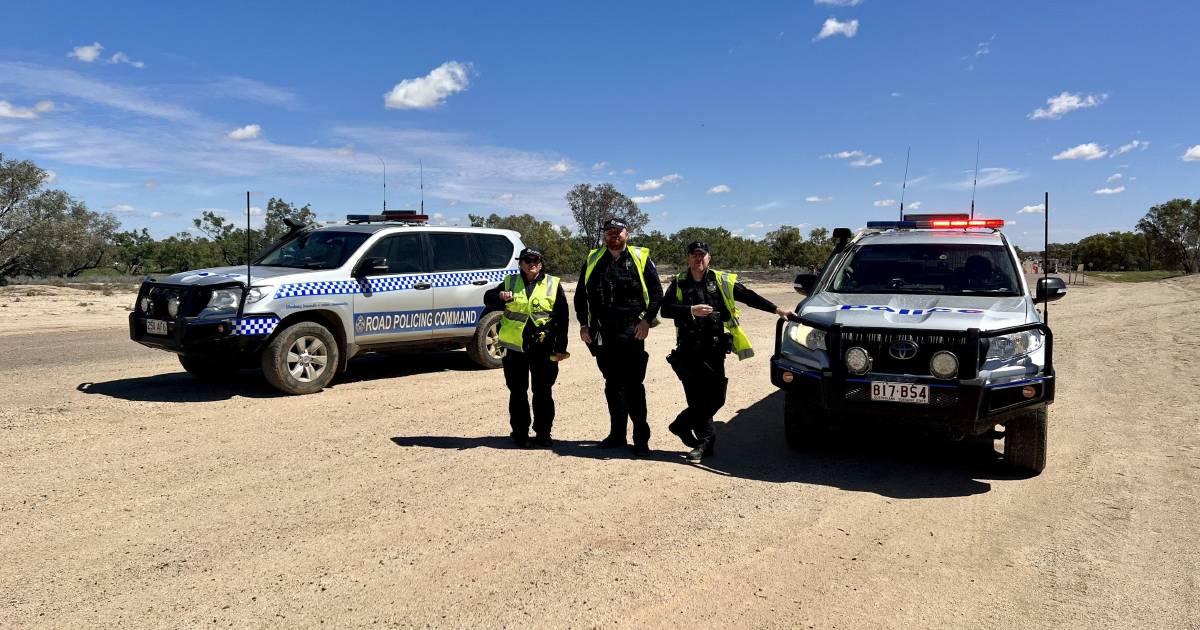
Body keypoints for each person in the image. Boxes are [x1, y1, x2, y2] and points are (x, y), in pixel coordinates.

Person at [660, 241, 792, 463]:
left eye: (702, 255)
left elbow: (748, 296)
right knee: (696, 398)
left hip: (714, 348)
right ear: (688, 258)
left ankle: (681, 425)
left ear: (709, 258)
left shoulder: (721, 280)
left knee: (716, 398)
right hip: (688, 349)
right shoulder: (680, 282)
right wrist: (690, 310)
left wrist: (777, 309)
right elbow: (665, 310)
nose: (698, 259)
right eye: (694, 255)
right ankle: (704, 444)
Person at [575, 218, 664, 454]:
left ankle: (641, 439)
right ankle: (617, 435)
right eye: (609, 232)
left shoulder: (640, 257)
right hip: (602, 332)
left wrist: (646, 321)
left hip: (632, 331)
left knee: (634, 385)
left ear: (628, 233)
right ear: (604, 235)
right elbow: (580, 295)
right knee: (612, 385)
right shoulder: (593, 258)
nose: (614, 235)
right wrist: (584, 325)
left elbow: (657, 293)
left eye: (618, 231)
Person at [484, 246, 569, 447]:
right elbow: (488, 299)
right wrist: (499, 297)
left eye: (536, 261)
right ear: (520, 263)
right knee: (517, 392)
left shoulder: (552, 284)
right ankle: (520, 434)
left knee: (543, 392)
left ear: (541, 263)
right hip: (515, 349)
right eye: (528, 260)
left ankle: (543, 434)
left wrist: (560, 346)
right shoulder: (510, 282)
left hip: (543, 348)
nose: (532, 264)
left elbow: (562, 317)